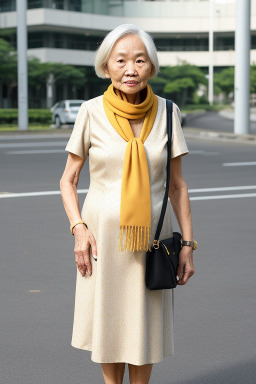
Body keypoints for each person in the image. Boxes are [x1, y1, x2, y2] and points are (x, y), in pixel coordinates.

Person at [60, 23, 195, 384]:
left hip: (152, 239)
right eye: (120, 60)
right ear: (106, 67)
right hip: (102, 239)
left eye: (139, 60)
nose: (130, 69)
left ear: (151, 66)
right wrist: (78, 230)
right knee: (109, 319)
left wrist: (188, 245)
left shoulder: (168, 113)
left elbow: (177, 187)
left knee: (143, 323)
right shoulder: (90, 112)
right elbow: (68, 180)